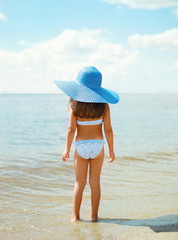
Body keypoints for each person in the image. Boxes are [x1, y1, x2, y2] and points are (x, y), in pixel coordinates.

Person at [54, 66, 119, 222]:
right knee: (95, 182)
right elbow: (108, 130)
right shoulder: (103, 106)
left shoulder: (75, 106)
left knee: (79, 183)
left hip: (81, 146)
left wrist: (67, 148)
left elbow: (71, 129)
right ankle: (94, 217)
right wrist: (111, 150)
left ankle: (75, 217)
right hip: (97, 146)